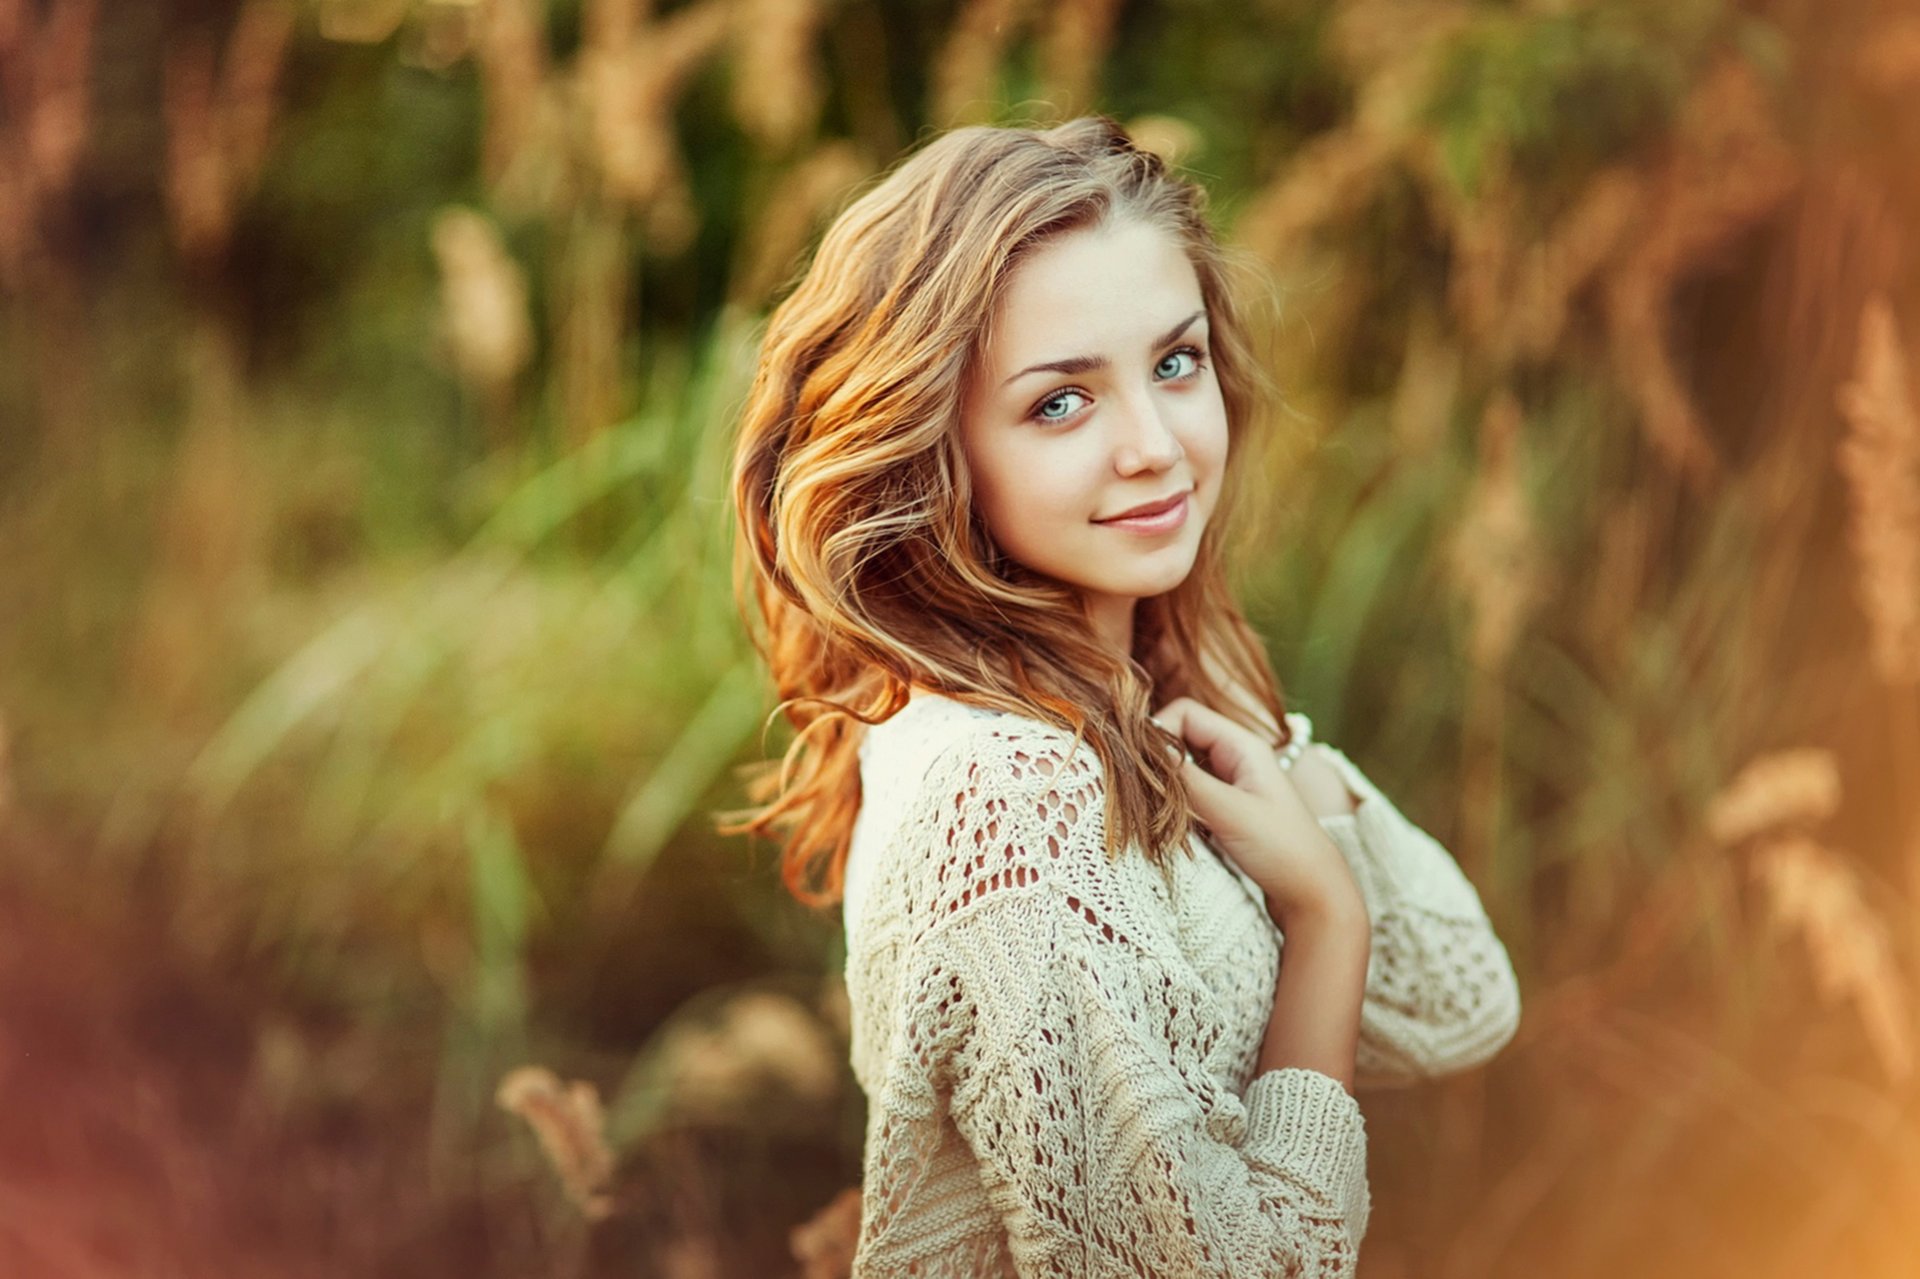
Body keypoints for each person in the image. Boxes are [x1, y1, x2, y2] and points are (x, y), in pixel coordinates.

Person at [725, 116, 1522, 1278]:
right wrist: (1324, 919)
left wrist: (1272, 748)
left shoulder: (1127, 701)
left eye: (1175, 362)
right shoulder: (1007, 796)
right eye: (1061, 402)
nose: (1156, 445)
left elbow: (1459, 999)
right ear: (935, 450)